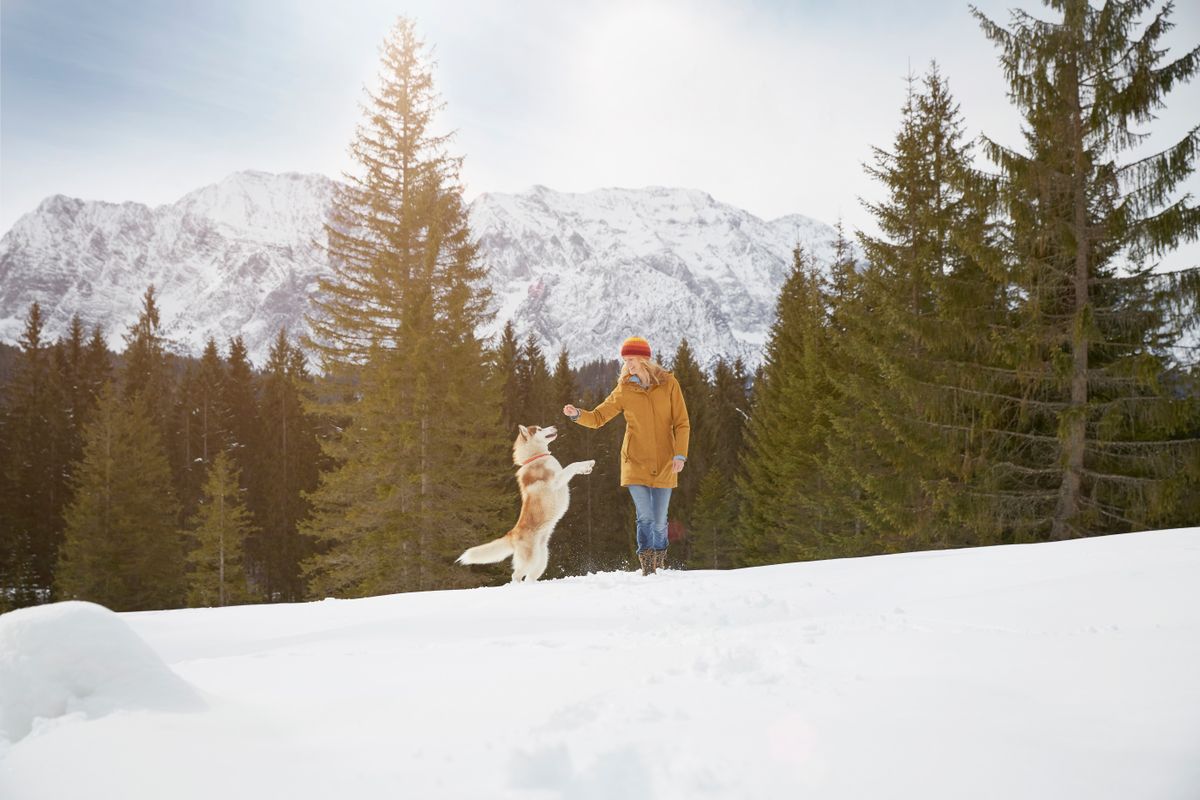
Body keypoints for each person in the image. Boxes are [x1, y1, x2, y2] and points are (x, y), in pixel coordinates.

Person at [563, 336, 690, 575]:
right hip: (634, 462)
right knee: (645, 516)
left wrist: (680, 455)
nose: (628, 364)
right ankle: (647, 565)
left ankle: (660, 561)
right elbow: (599, 417)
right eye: (625, 360)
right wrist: (577, 414)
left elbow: (682, 423)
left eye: (631, 359)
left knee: (660, 519)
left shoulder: (669, 384)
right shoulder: (624, 389)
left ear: (644, 359)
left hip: (666, 462)